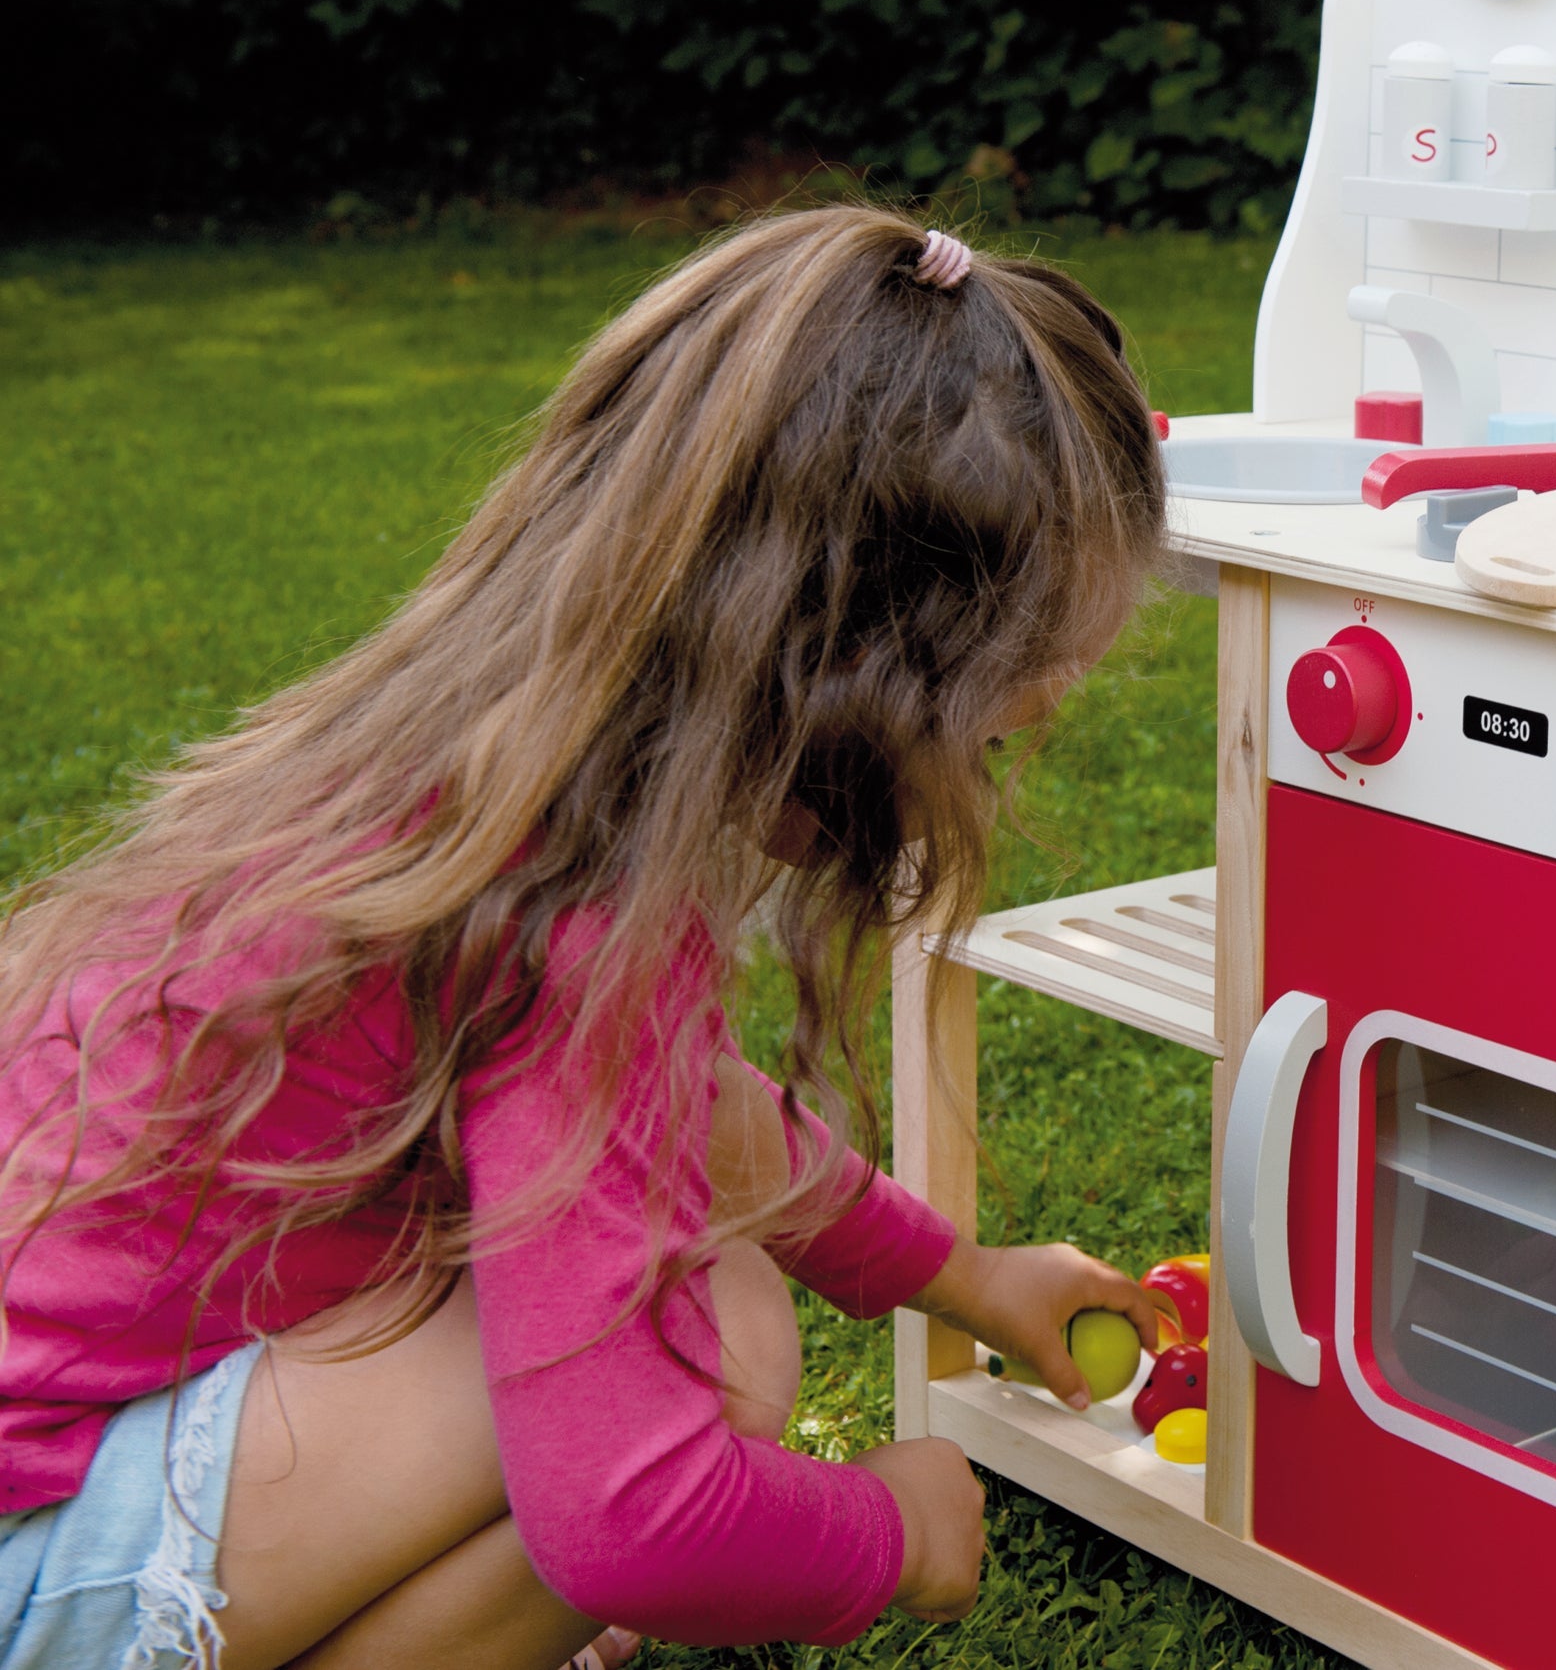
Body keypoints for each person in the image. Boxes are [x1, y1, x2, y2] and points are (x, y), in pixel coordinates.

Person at [0, 207, 1171, 1669]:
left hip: (55, 1438)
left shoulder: (475, 770)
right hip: (35, 1534)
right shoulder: (578, 919)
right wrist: (895, 1527)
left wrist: (961, 1275)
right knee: (718, 1344)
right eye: (992, 725)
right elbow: (635, 1520)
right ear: (856, 676)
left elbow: (681, 1095)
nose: (1009, 751)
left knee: (711, 1298)